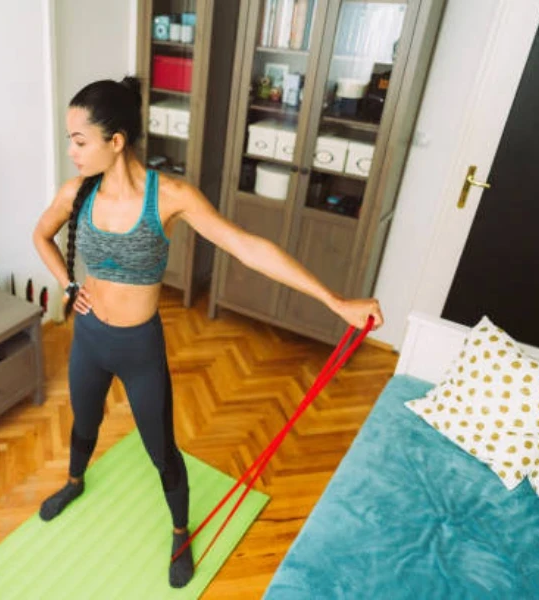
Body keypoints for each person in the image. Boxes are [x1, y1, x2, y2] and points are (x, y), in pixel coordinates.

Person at [31, 77, 384, 589]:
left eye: (79, 141)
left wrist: (334, 300)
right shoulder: (76, 192)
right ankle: (74, 481)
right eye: (70, 140)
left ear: (116, 141)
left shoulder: (169, 196)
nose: (71, 152)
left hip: (137, 348)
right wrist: (67, 285)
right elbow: (41, 235)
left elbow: (247, 246)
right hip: (88, 337)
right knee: (84, 422)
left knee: (162, 451)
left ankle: (179, 530)